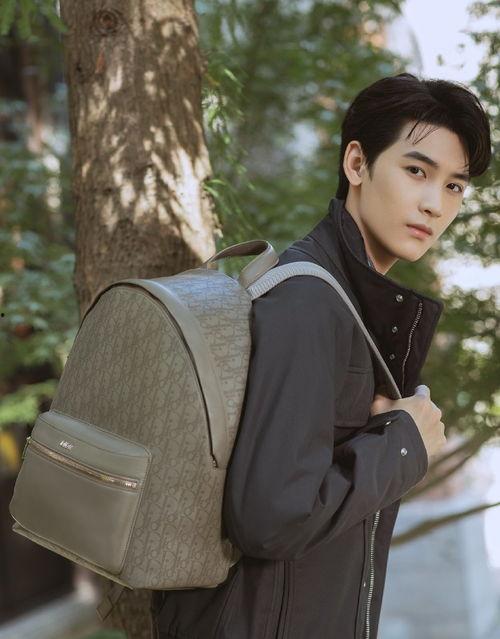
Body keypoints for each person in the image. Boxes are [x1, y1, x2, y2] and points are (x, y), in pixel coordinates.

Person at [151, 72, 491, 639]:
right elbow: (271, 517)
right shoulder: (309, 302)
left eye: (454, 186)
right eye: (416, 171)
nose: (435, 204)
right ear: (357, 164)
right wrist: (404, 442)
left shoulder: (345, 300)